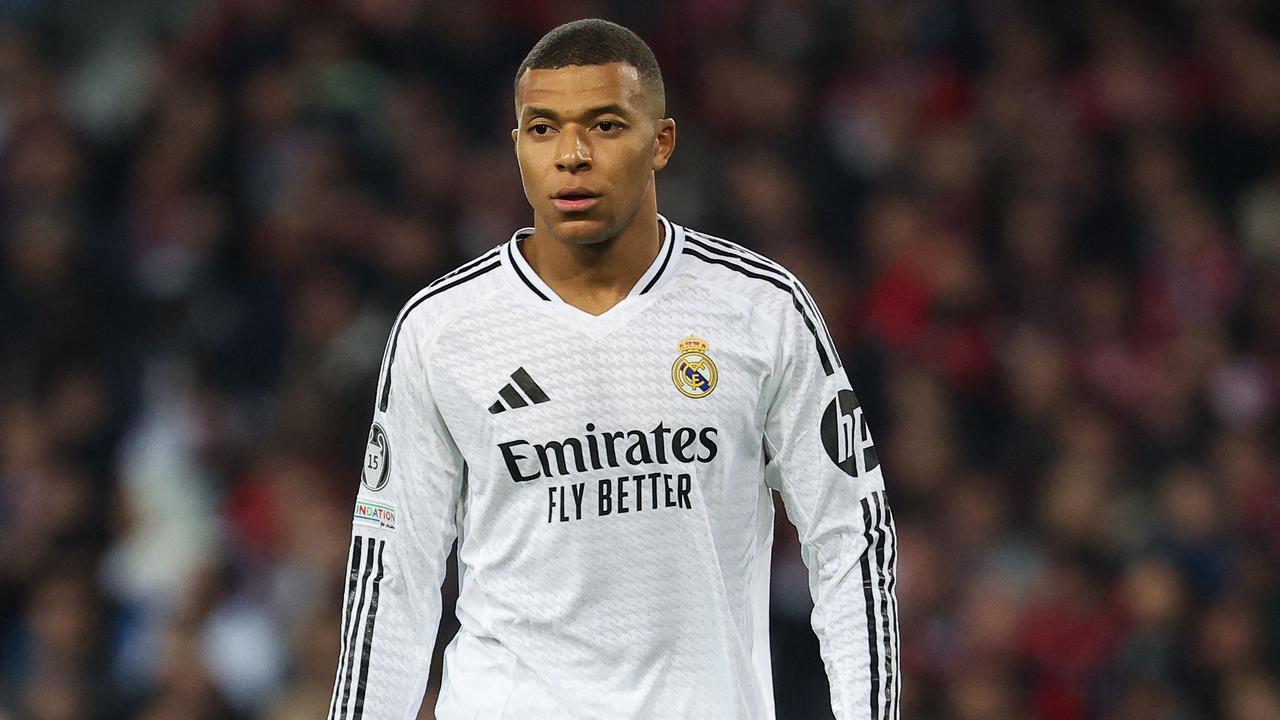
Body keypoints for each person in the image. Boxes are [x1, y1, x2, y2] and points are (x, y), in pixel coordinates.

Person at [327, 18, 899, 720]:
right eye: (541, 129)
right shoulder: (441, 330)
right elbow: (391, 578)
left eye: (603, 124)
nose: (571, 155)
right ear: (516, 147)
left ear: (660, 143)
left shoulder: (760, 310)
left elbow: (851, 537)